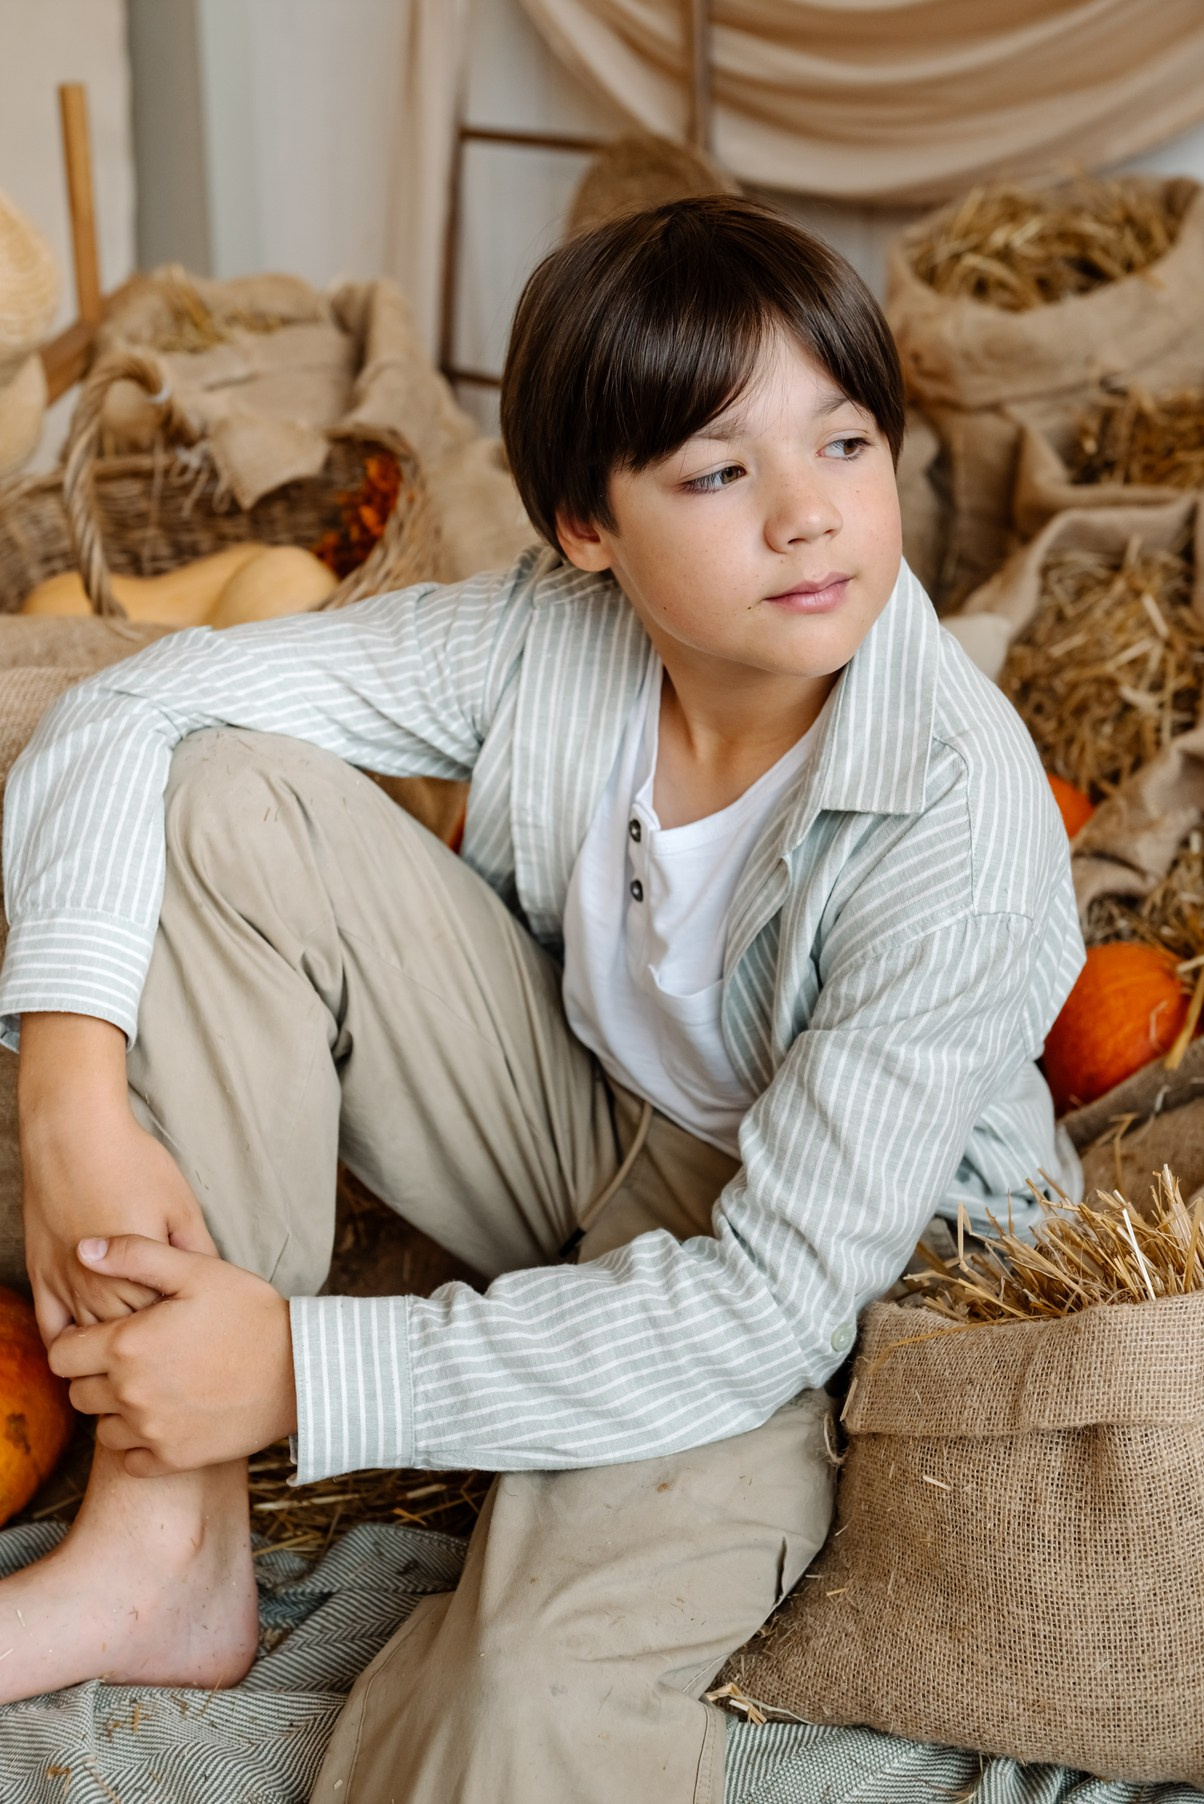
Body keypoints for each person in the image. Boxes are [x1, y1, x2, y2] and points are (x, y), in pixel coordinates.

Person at [0, 196, 1084, 1803]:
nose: (810, 517)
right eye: (721, 472)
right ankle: (167, 1541)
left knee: (520, 1712)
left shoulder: (961, 825)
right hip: (601, 1136)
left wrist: (308, 1366)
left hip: (838, 1288)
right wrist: (68, 1092)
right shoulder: (547, 639)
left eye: (846, 445)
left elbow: (776, 1305)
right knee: (224, 795)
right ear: (590, 527)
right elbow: (133, 709)